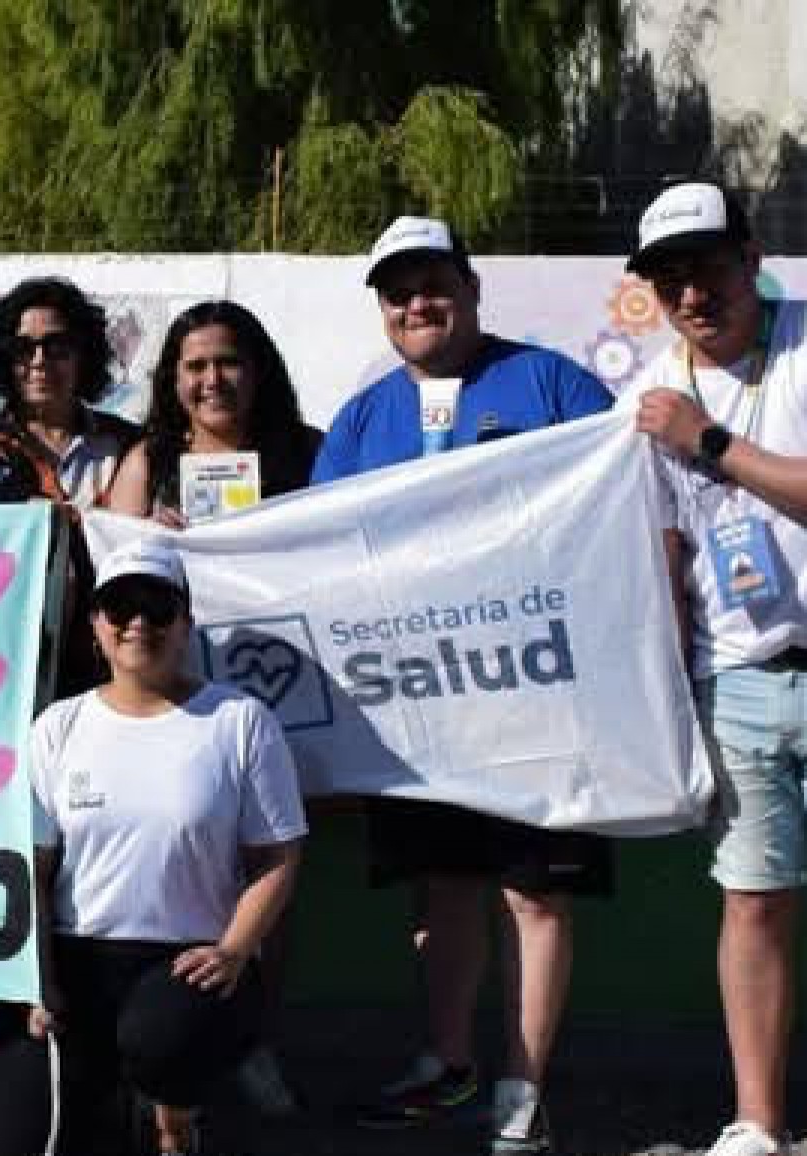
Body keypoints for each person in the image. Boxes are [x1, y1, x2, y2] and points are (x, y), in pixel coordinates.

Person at [314, 216, 614, 1155]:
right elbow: (318, 542)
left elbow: (615, 496)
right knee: (443, 888)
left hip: (539, 687)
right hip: (422, 703)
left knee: (534, 895)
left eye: (432, 282)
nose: (416, 303)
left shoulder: (552, 381)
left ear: (472, 287)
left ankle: (526, 1085)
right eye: (397, 291)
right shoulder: (365, 416)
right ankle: (448, 1067)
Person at [0, 539, 305, 1156]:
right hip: (81, 962)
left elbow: (278, 859)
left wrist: (234, 951)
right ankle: (117, 1098)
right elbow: (34, 872)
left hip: (191, 963)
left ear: (187, 623)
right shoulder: (57, 728)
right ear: (95, 623)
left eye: (158, 606)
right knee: (8, 1132)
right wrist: (39, 979)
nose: (138, 623)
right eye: (120, 607)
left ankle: (175, 1117)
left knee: (160, 1036)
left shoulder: (240, 721)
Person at [623, 182, 807, 1156]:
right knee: (754, 896)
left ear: (752, 255)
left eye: (706, 265)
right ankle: (760, 1122)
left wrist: (713, 446)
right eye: (667, 277)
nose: (691, 292)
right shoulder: (644, 397)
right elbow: (663, 559)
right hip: (736, 676)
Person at [0, 277, 139, 700]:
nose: (40, 360)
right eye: (23, 348)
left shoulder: (127, 449)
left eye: (58, 346)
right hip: (7, 677)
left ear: (84, 354)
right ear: (3, 360)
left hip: (117, 674)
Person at [118, 300, 322, 525]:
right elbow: (116, 555)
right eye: (196, 366)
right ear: (173, 380)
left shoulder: (312, 452)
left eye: (229, 363)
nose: (213, 380)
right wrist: (147, 534)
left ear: (259, 371)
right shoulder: (145, 465)